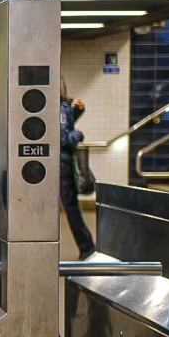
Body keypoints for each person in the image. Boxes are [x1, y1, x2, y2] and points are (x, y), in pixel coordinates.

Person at [60, 81, 96, 259]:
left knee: (71, 207)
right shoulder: (60, 108)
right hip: (62, 164)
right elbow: (63, 137)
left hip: (61, 164)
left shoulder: (60, 107)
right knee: (72, 207)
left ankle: (86, 246)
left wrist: (76, 112)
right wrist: (79, 134)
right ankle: (86, 247)